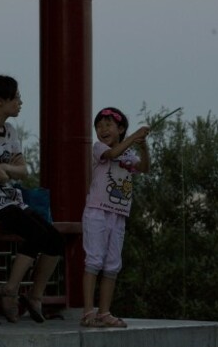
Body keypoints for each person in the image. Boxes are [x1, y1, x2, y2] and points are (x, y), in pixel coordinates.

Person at [0, 75, 64, 324]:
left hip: (8, 197)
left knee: (55, 240)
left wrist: (2, 167)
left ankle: (34, 295)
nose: (20, 102)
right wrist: (4, 169)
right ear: (0, 101)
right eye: (16, 97)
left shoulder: (10, 130)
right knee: (37, 235)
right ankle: (9, 290)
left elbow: (23, 170)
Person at [80, 107, 150, 328]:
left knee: (112, 265)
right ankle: (88, 313)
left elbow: (145, 167)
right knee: (93, 261)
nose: (102, 130)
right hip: (96, 212)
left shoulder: (128, 155)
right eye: (99, 126)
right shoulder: (99, 148)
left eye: (108, 125)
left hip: (118, 215)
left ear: (120, 129)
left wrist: (143, 145)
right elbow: (111, 154)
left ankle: (104, 313)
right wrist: (133, 137)